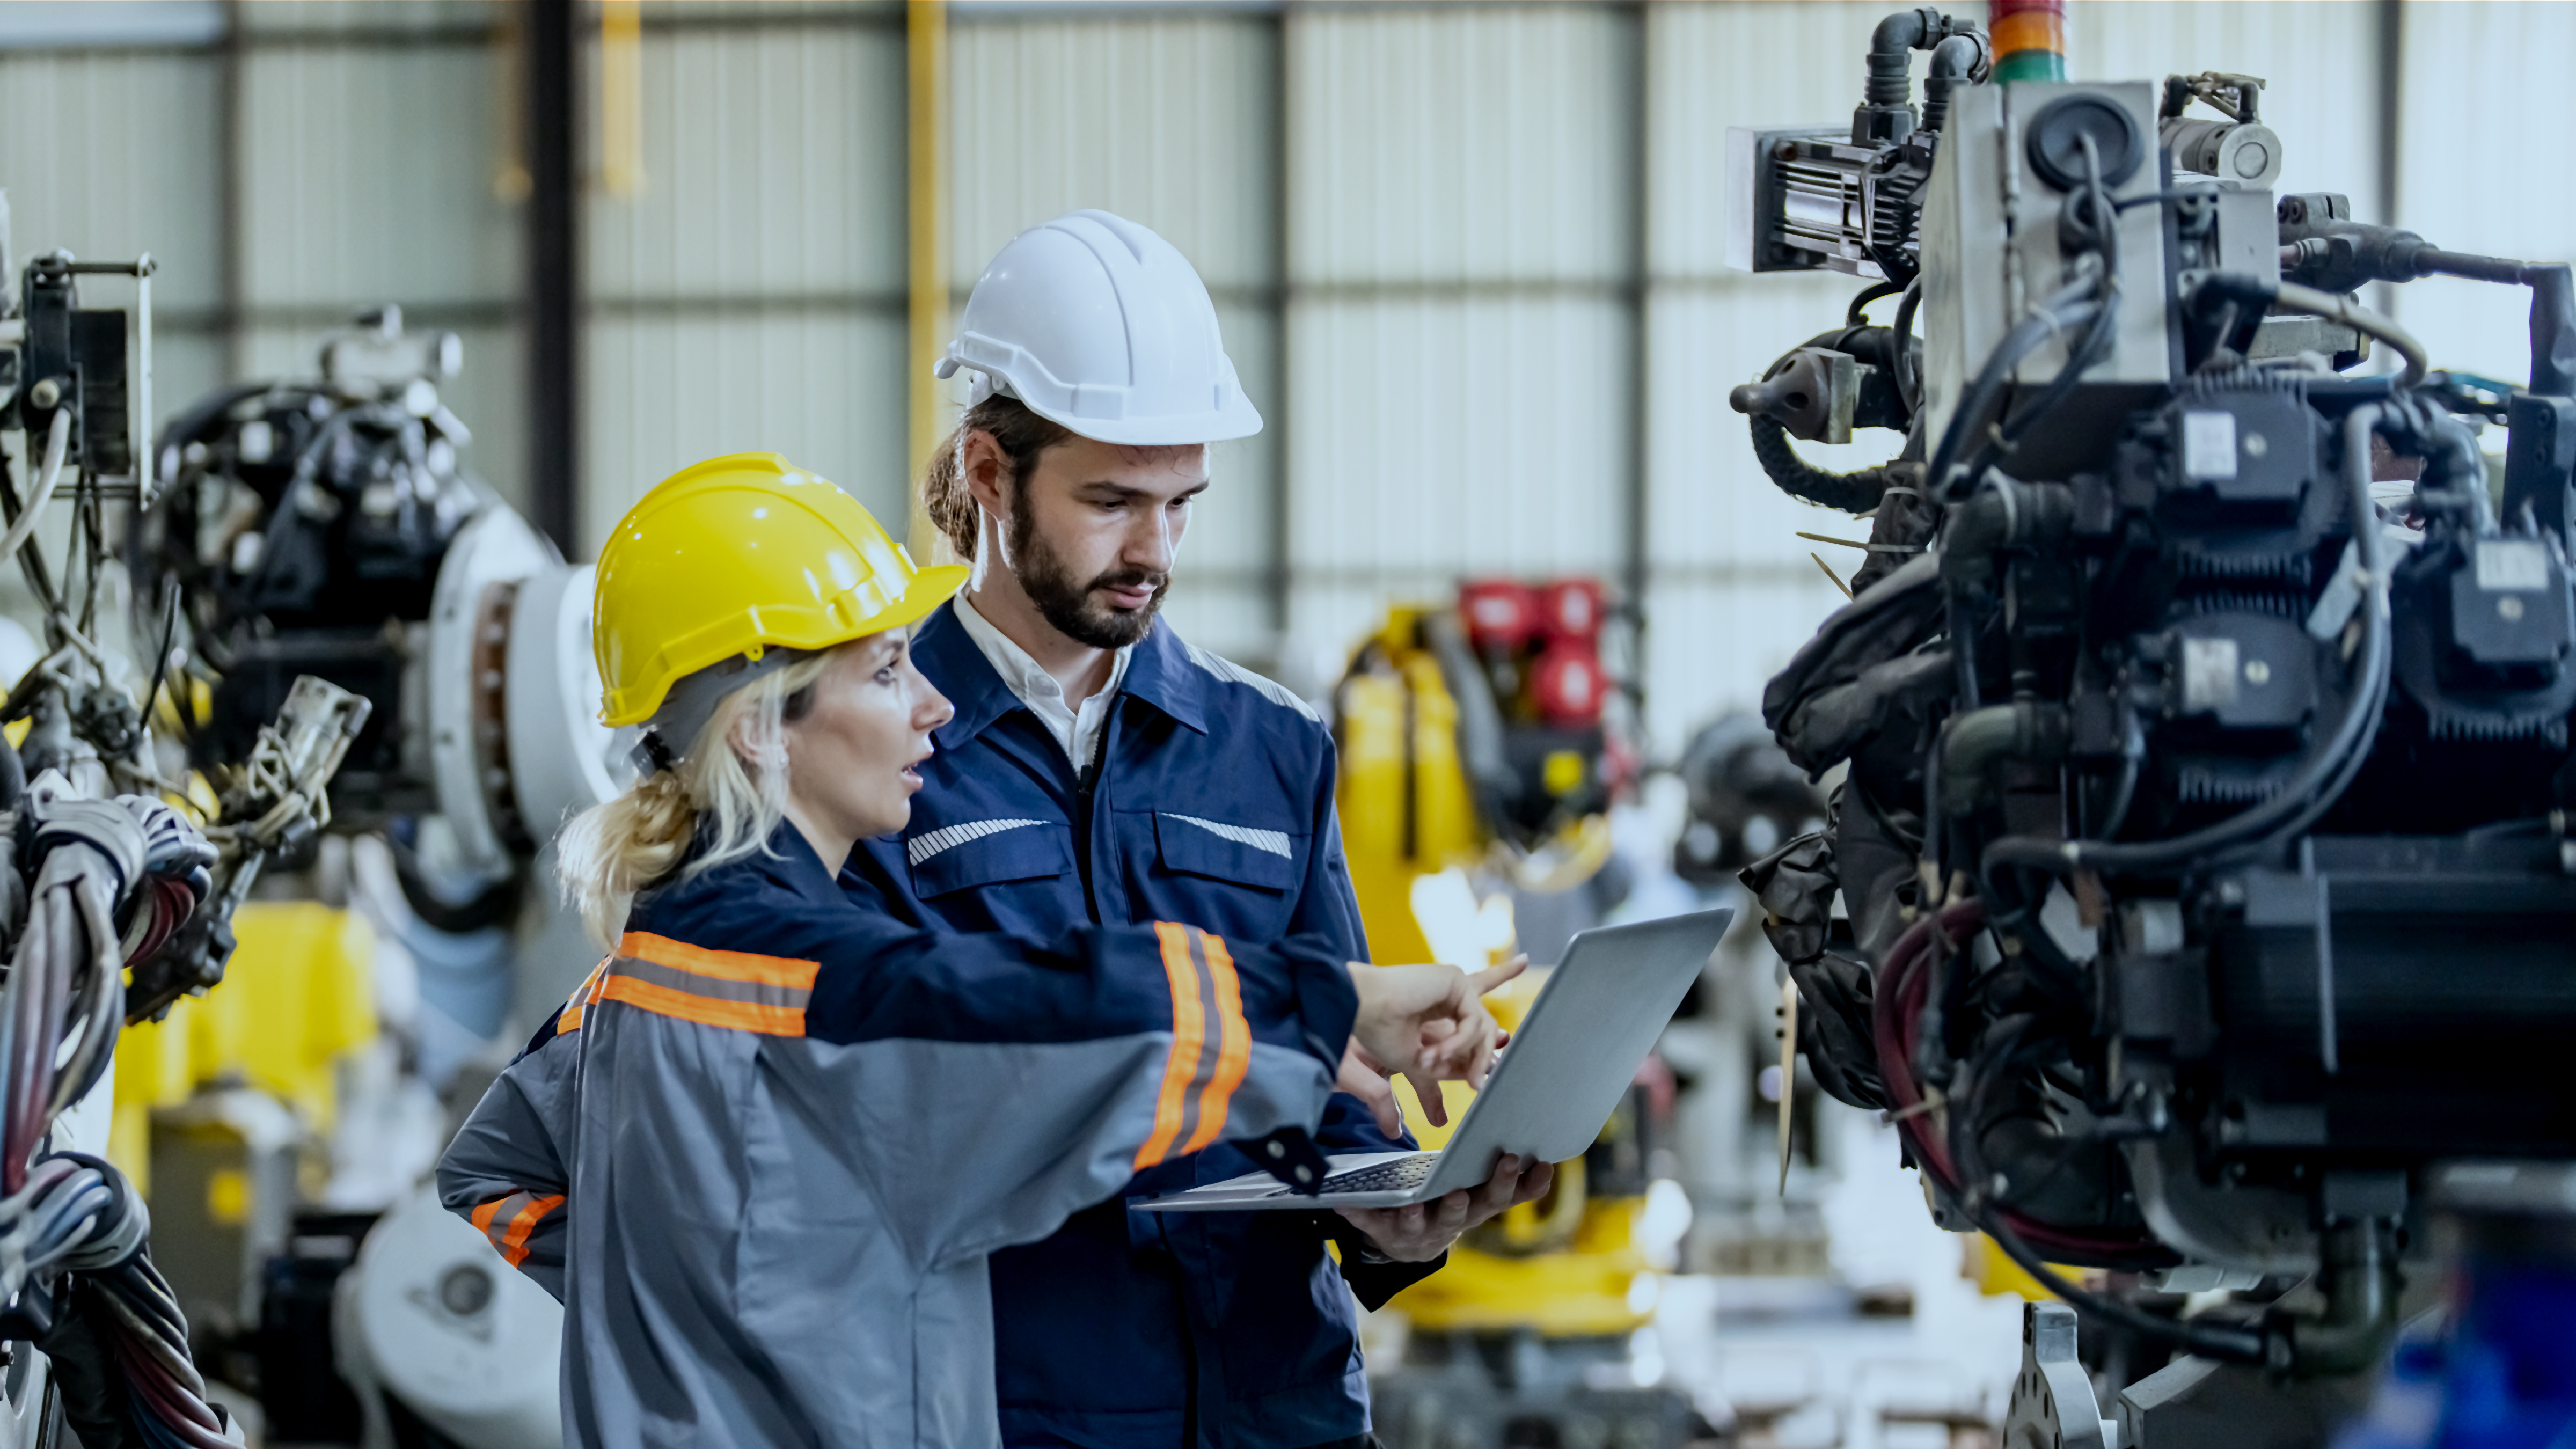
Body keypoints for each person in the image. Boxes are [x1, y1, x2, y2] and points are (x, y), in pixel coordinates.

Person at [436, 453, 1517, 1447]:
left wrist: (747, 1303)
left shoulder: (660, 964)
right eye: (887, 672)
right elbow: (1006, 1008)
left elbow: (498, 1169)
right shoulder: (786, 976)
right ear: (762, 727)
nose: (934, 706)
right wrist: (1325, 1004)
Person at [840, 209, 1553, 1449]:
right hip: (1022, 1413)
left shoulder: (1269, 747)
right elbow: (892, 1113)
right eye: (1113, 501)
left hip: (1282, 1410)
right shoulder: (881, 747)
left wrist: (1393, 1226)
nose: (1154, 551)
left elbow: (1334, 1088)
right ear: (991, 475)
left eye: (1183, 503)